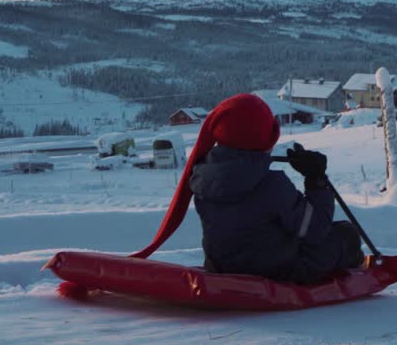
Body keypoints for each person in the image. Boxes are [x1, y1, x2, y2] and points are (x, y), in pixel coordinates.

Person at [130, 93, 364, 284]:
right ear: (265, 139)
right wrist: (315, 180)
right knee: (345, 234)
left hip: (221, 267)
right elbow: (315, 231)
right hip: (278, 271)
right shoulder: (272, 185)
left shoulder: (201, 177)